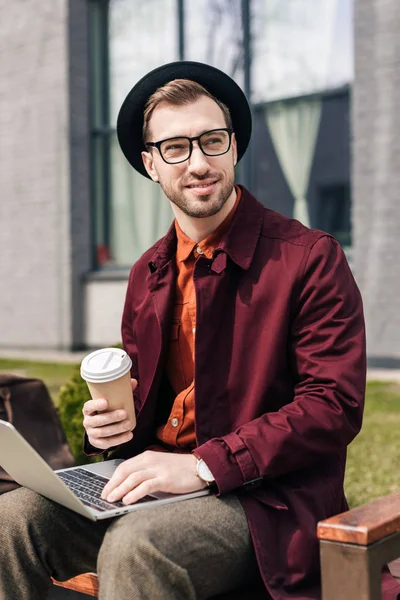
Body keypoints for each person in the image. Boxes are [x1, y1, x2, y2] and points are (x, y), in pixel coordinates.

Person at [0, 61, 398, 600]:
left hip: (265, 501)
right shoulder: (147, 271)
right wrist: (110, 430)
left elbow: (333, 407)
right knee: (12, 517)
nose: (198, 163)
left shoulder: (310, 258)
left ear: (234, 147)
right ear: (150, 164)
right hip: (156, 488)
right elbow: (148, 398)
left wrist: (204, 466)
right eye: (175, 148)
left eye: (212, 141)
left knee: (138, 546)